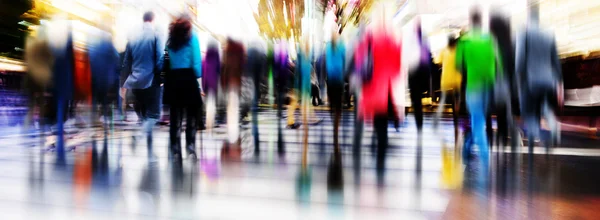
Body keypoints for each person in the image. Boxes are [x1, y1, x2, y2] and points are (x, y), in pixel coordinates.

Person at [515, 3, 563, 154]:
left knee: (529, 114)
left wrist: (519, 79)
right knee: (545, 107)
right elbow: (555, 60)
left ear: (528, 13)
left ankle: (542, 136)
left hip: (531, 80)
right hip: (549, 80)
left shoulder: (524, 33)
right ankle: (554, 126)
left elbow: (520, 59)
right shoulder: (549, 33)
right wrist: (559, 82)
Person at [455, 8, 500, 163]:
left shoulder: (465, 41)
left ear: (471, 21)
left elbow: (458, 65)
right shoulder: (490, 39)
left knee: (478, 121)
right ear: (481, 21)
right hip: (489, 86)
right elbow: (497, 61)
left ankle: (485, 158)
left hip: (473, 86)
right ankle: (468, 145)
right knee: (480, 120)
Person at [359, 10, 402, 170]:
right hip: (386, 90)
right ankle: (380, 159)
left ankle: (377, 149)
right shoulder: (392, 41)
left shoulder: (369, 41)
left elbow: (360, 63)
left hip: (373, 91)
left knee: (378, 124)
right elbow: (397, 68)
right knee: (382, 125)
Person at [122, 11, 164, 161]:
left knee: (146, 119)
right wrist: (161, 78)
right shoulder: (156, 35)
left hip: (135, 83)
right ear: (153, 19)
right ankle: (138, 138)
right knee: (153, 116)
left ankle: (150, 153)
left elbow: (126, 62)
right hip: (151, 82)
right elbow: (160, 59)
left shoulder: (133, 37)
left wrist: (123, 85)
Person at [162, 14, 202, 159]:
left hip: (173, 79)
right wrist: (197, 74)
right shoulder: (193, 37)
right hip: (188, 78)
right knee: (191, 114)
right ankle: (190, 145)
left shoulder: (170, 39)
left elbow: (165, 58)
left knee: (175, 116)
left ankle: (174, 147)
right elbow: (196, 61)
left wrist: (164, 74)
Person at [434, 35, 462, 135]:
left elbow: (438, 63)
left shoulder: (443, 50)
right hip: (456, 81)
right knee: (456, 102)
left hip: (446, 80)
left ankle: (437, 119)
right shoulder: (459, 51)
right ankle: (456, 119)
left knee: (443, 101)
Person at [408, 19, 431, 134]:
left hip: (414, 73)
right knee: (418, 100)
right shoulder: (424, 41)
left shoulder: (412, 41)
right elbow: (427, 57)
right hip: (422, 73)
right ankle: (419, 121)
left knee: (416, 100)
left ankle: (419, 122)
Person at [222, 37, 245, 144]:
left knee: (230, 106)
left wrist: (223, 82)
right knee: (234, 106)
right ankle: (234, 127)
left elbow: (223, 68)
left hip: (229, 82)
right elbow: (244, 67)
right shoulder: (240, 50)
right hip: (237, 81)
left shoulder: (226, 51)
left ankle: (231, 128)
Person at [325, 29, 346, 149]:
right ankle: (336, 129)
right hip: (339, 80)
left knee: (332, 105)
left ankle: (333, 119)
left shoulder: (328, 47)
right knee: (339, 107)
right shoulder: (342, 46)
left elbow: (326, 62)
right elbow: (345, 61)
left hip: (330, 80)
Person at [246, 40, 267, 150]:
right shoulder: (261, 53)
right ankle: (255, 133)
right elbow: (263, 71)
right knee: (254, 106)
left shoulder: (248, 52)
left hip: (248, 82)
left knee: (250, 103)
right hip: (256, 82)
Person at [203, 41, 221, 132]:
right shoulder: (216, 58)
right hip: (213, 83)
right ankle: (212, 121)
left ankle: (208, 121)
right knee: (212, 103)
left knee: (208, 103)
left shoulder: (205, 58)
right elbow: (219, 69)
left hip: (206, 83)